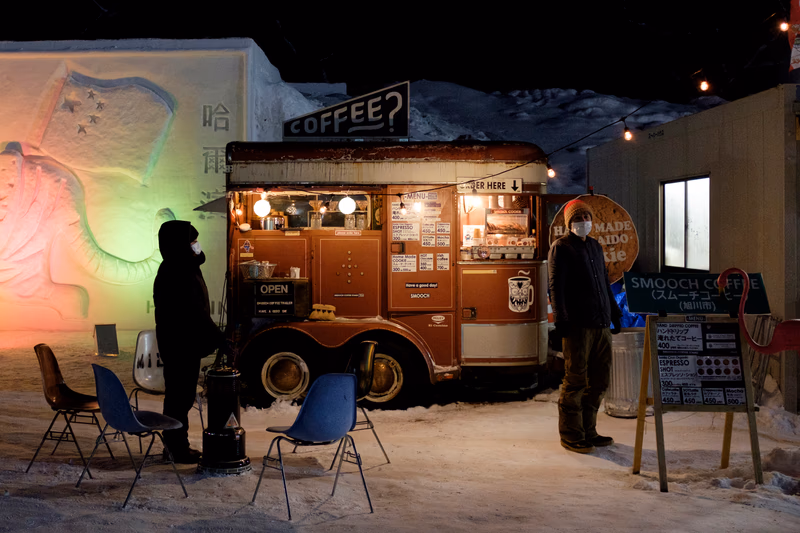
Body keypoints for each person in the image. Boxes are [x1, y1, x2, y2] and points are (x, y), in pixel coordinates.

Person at [548, 199, 622, 454]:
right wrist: (561, 319)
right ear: (569, 224)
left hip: (601, 323)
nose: (583, 223)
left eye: (586, 218)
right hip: (578, 326)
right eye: (577, 219)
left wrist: (615, 312)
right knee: (575, 381)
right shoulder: (562, 248)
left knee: (600, 380)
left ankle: (588, 430)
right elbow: (556, 287)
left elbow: (604, 282)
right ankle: (571, 434)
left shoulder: (595, 246)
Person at [153, 220, 225, 463]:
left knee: (179, 397)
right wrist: (218, 337)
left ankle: (174, 445)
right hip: (180, 345)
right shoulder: (178, 270)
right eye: (192, 241)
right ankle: (176, 448)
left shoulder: (182, 265)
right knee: (179, 398)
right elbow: (194, 313)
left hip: (182, 344)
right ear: (180, 244)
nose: (196, 245)